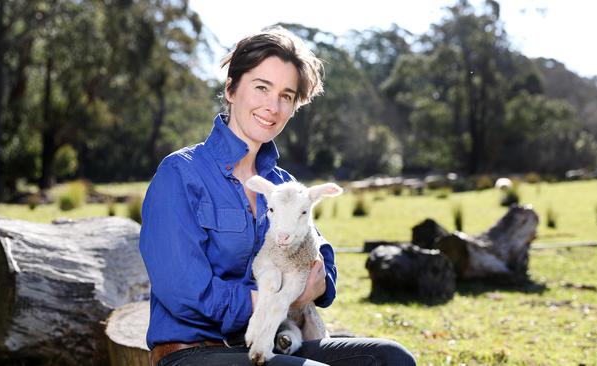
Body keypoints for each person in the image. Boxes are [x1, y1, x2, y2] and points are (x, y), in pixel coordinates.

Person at [139, 26, 416, 366]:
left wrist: (307, 288)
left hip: (273, 343)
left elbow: (321, 262)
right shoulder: (180, 174)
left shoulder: (284, 184)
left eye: (286, 95)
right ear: (230, 89)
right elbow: (184, 294)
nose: (273, 106)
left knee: (391, 359)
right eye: (261, 87)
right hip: (196, 352)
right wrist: (273, 300)